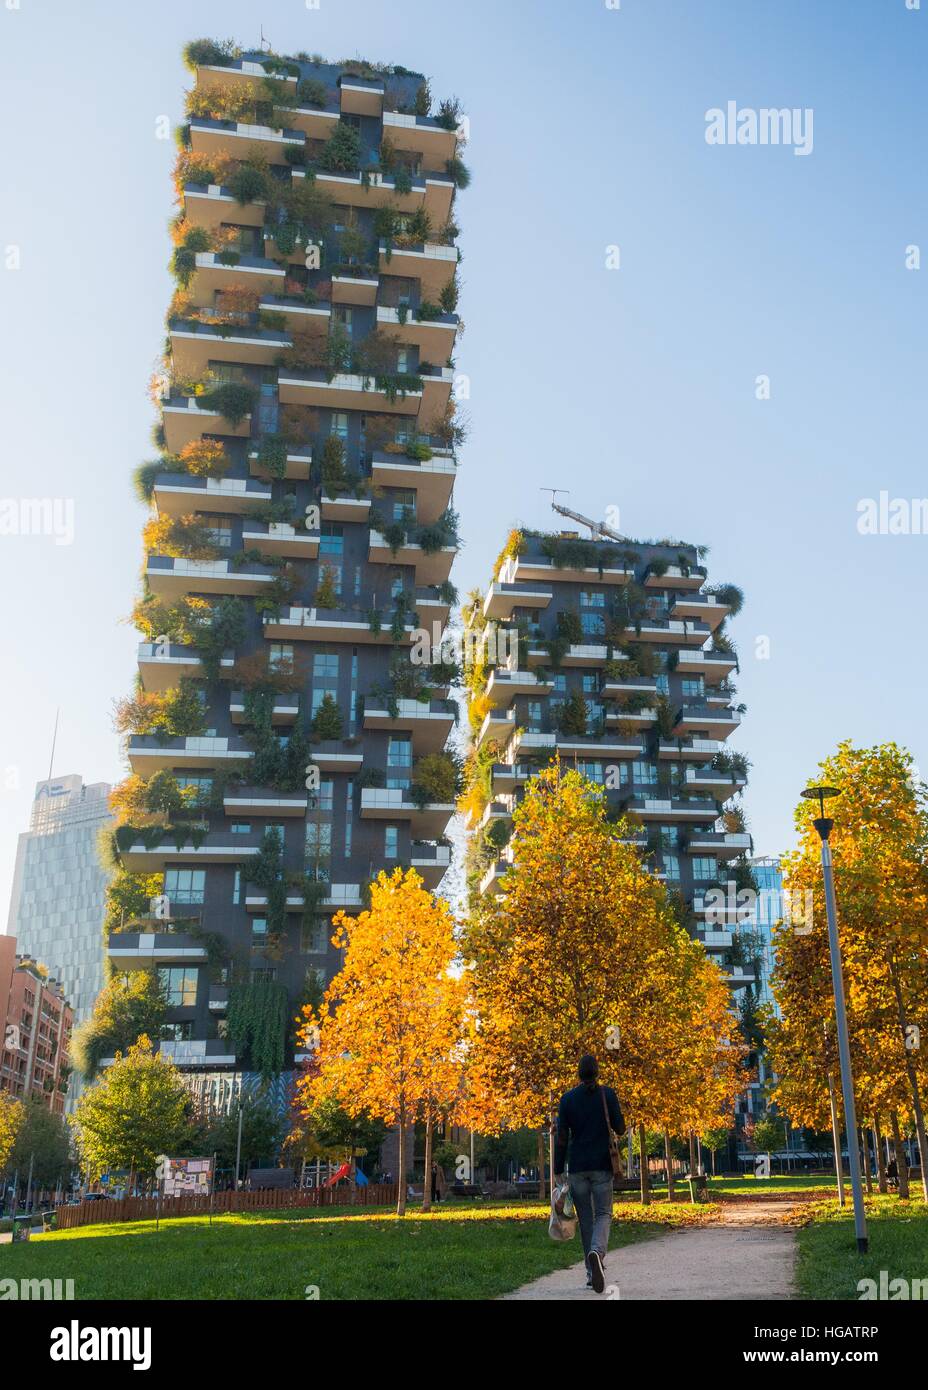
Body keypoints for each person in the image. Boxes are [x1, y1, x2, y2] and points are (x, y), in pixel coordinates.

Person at [554, 1054, 625, 1293]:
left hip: (577, 1167)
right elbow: (620, 1128)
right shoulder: (608, 1095)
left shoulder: (567, 1100)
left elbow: (562, 1137)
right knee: (604, 1213)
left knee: (585, 1220)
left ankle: (589, 1272)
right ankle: (598, 1253)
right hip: (602, 1166)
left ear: (578, 1074)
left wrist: (557, 1168)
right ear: (597, 1072)